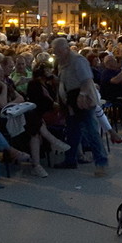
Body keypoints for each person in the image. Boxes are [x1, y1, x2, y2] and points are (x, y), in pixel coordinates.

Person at [51, 38, 108, 176]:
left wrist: (82, 95)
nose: (57, 54)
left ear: (65, 49)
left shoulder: (77, 60)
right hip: (70, 99)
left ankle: (101, 162)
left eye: (58, 51)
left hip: (83, 99)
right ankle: (70, 160)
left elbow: (87, 80)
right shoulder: (62, 61)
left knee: (91, 131)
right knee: (72, 131)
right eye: (55, 52)